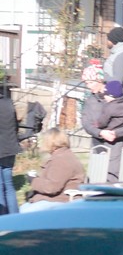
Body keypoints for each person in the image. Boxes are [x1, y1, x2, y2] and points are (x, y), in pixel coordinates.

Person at [20, 128, 85, 212]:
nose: (41, 144)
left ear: (50, 142)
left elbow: (51, 188)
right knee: (23, 208)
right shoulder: (63, 155)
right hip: (59, 198)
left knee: (25, 212)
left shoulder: (61, 160)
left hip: (62, 200)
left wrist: (33, 180)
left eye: (43, 141)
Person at [95, 80, 123, 182]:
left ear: (111, 96)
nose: (104, 97)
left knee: (113, 165)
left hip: (112, 139)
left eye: (105, 95)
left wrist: (97, 124)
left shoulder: (109, 107)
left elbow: (102, 122)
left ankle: (112, 185)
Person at [0, 86, 20, 214]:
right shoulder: (9, 103)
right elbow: (15, 126)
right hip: (10, 147)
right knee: (9, 185)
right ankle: (15, 217)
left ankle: (3, 220)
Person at [103, 26, 123, 95]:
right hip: (115, 98)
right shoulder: (121, 55)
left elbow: (116, 83)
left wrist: (102, 76)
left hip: (118, 99)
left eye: (108, 39)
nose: (107, 41)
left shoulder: (121, 57)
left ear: (114, 41)